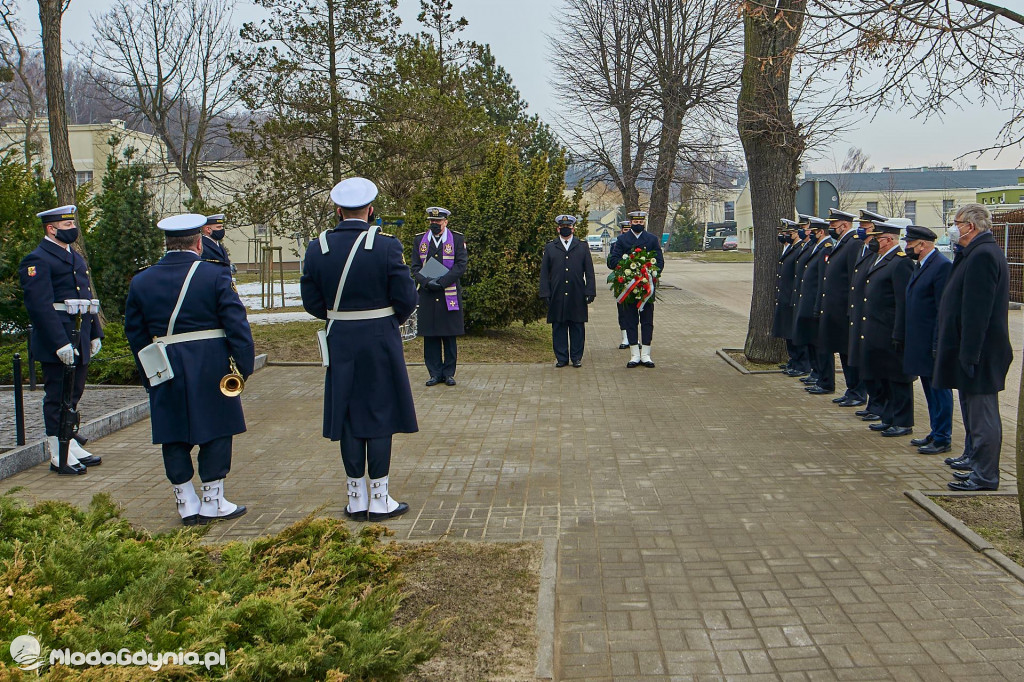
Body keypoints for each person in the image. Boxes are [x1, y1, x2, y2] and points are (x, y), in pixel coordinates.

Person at [124, 213, 255, 525]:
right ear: (199, 243)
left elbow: (135, 333)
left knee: (173, 432)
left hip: (164, 363)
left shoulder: (141, 281)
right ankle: (213, 500)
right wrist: (243, 367)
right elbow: (237, 325)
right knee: (217, 429)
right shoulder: (215, 276)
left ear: (166, 243)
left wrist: (149, 375)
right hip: (211, 362)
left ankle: (185, 500)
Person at [300, 177, 419, 519]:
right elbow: (406, 298)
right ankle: (380, 497)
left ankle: (356, 496)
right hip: (380, 337)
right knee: (379, 414)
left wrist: (341, 316)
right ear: (370, 211)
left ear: (338, 212)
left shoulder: (317, 247)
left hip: (340, 337)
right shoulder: (386, 246)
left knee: (349, 415)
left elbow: (311, 301)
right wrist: (385, 318)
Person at [18, 205, 103, 475]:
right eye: (66, 227)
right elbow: (40, 306)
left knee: (74, 393)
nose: (72, 230)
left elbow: (86, 297)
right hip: (59, 337)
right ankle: (58, 451)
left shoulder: (73, 256)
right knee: (57, 395)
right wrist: (59, 343)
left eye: (72, 225)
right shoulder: (38, 259)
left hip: (79, 333)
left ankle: (70, 442)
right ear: (50, 229)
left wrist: (95, 332)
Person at [935, 203, 1012, 491]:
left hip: (981, 352)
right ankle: (974, 462)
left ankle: (985, 475)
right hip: (971, 350)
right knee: (971, 412)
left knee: (983, 416)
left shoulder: (983, 255)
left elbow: (977, 312)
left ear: (971, 226)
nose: (953, 228)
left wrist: (970, 353)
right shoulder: (972, 253)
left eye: (956, 222)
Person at [857, 221, 915, 438]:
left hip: (891, 329)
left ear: (889, 240)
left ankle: (903, 421)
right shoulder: (880, 259)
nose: (873, 241)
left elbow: (903, 302)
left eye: (877, 238)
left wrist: (899, 332)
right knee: (884, 376)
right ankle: (888, 417)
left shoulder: (900, 262)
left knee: (898, 379)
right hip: (876, 328)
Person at [902, 225, 953, 455]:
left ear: (922, 245)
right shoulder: (921, 265)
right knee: (929, 389)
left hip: (932, 342)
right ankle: (935, 431)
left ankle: (943, 436)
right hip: (920, 341)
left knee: (939, 390)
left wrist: (937, 343)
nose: (907, 248)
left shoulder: (941, 267)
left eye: (910, 245)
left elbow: (943, 309)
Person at [410, 206, 468, 386]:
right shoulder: (420, 240)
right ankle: (434, 373)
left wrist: (442, 282)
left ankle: (449, 373)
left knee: (448, 335)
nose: (435, 224)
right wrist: (427, 282)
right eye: (432, 221)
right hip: (428, 293)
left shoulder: (457, 239)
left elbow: (460, 265)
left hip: (448, 293)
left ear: (446, 222)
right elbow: (415, 267)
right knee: (431, 335)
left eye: (438, 221)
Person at [818, 209, 864, 405]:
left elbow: (854, 279)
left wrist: (850, 309)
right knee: (843, 352)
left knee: (848, 352)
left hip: (845, 309)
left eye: (833, 226)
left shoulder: (852, 244)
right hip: (836, 309)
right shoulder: (843, 243)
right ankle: (851, 389)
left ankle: (858, 392)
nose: (831, 229)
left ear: (844, 225)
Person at [607, 210, 664, 368]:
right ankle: (634, 355)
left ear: (644, 222)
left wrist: (652, 273)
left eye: (641, 222)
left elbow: (659, 261)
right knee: (631, 320)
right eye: (635, 222)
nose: (638, 224)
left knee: (647, 321)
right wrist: (626, 268)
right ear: (630, 222)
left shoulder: (651, 239)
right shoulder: (622, 240)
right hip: (629, 287)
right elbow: (614, 261)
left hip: (646, 287)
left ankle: (646, 354)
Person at [848, 209, 891, 423]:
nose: (865, 235)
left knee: (876, 368)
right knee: (866, 364)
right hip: (862, 317)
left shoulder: (885, 258)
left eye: (868, 231)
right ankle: (873, 403)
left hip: (878, 322)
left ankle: (878, 405)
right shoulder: (865, 251)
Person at [540, 215, 596, 368]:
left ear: (573, 228)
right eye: (562, 227)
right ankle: (561, 357)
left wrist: (590, 291)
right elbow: (544, 272)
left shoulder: (582, 246)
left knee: (577, 325)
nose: (565, 229)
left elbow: (589, 271)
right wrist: (545, 292)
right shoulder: (551, 246)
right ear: (558, 228)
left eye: (568, 227)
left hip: (577, 292)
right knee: (558, 326)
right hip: (557, 292)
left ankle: (576, 357)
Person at [792, 215, 834, 394]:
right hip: (808, 302)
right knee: (811, 341)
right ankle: (816, 373)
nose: (808, 233)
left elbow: (823, 279)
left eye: (812, 231)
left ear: (821, 232)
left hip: (816, 303)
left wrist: (819, 304)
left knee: (819, 343)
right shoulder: (814, 247)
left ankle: (824, 378)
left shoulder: (826, 248)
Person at [773, 219, 805, 374]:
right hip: (785, 296)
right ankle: (793, 361)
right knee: (787, 331)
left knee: (794, 332)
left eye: (788, 233)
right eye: (783, 233)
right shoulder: (789, 248)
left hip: (792, 296)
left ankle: (800, 363)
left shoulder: (799, 249)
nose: (784, 236)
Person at [788, 218, 816, 383]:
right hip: (799, 296)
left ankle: (806, 366)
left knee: (810, 339)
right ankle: (800, 364)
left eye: (803, 229)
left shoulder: (815, 248)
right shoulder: (806, 247)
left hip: (810, 300)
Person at [615, 220, 632, 349]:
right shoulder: (617, 244)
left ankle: (634, 337)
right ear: (621, 231)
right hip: (621, 281)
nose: (626, 233)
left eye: (628, 230)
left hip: (636, 281)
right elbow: (612, 261)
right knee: (623, 311)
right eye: (625, 230)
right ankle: (625, 337)